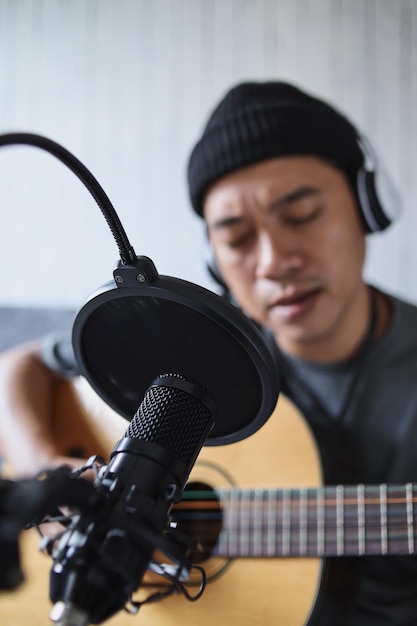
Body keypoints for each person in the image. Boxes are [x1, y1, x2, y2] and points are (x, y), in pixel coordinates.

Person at [1, 81, 417, 624]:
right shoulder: (195, 345)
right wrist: (49, 474)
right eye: (238, 237)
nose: (271, 262)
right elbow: (18, 367)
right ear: (214, 259)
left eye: (302, 214)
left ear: (368, 208)